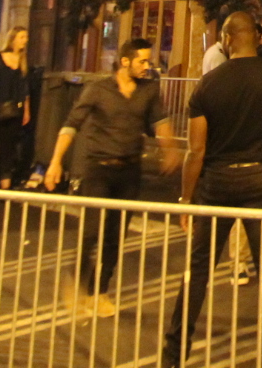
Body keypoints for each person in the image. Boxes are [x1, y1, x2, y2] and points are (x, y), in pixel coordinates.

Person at [164, 12, 262, 367]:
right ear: (256, 37)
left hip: (218, 181)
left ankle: (174, 351)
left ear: (226, 39)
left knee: (198, 269)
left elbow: (196, 150)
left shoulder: (208, 84)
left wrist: (186, 198)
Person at [45, 37, 179, 315]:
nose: (147, 65)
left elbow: (160, 121)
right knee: (93, 231)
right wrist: (55, 162)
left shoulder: (149, 90)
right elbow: (72, 125)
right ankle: (78, 284)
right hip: (98, 170)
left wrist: (171, 150)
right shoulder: (98, 90)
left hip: (129, 171)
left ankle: (100, 292)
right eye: (142, 60)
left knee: (116, 237)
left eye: (148, 60)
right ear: (125, 61)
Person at [0, 27, 32, 189]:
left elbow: (25, 89)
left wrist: (26, 110)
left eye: (26, 37)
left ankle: (5, 186)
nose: (25, 40)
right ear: (13, 39)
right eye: (22, 37)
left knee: (8, 149)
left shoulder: (23, 61)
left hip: (15, 109)